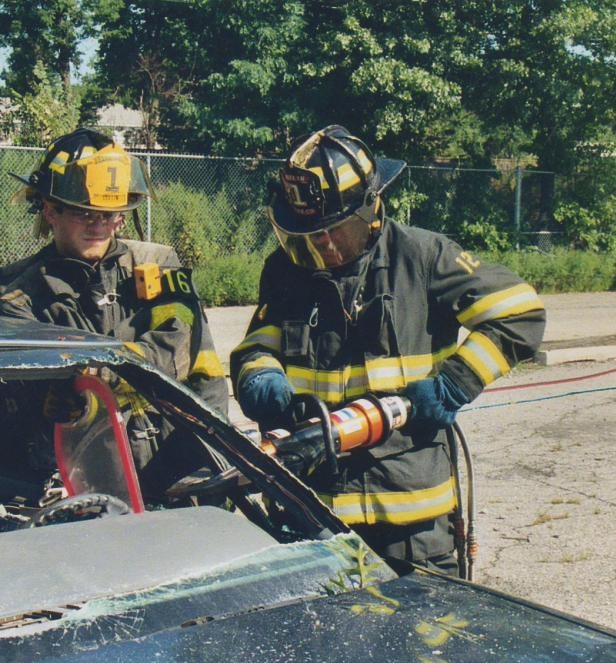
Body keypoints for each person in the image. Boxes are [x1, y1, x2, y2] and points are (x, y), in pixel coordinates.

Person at [230, 125, 546, 573]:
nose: (320, 244)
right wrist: (261, 377)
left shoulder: (423, 256)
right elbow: (257, 345)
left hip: (410, 520)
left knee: (427, 639)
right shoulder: (287, 268)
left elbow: (520, 312)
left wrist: (452, 386)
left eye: (331, 231)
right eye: (308, 234)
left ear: (370, 209)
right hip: (313, 513)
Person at [0, 128, 228, 499]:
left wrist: (97, 374)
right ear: (49, 209)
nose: (98, 225)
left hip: (160, 476)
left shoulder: (158, 266)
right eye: (83, 213)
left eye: (109, 215)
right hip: (53, 486)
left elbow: (174, 354)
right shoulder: (12, 288)